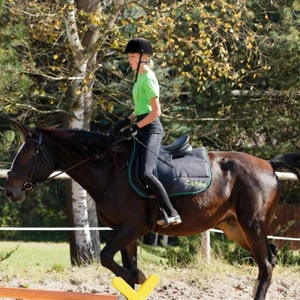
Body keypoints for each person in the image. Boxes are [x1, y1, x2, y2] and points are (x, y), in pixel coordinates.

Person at [112, 37, 182, 227]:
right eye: (129, 56)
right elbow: (141, 109)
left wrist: (135, 127)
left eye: (132, 56)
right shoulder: (138, 77)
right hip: (142, 125)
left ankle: (171, 212)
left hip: (151, 130)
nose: (129, 60)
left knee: (146, 172)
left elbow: (156, 112)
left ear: (143, 57)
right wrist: (125, 121)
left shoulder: (149, 78)